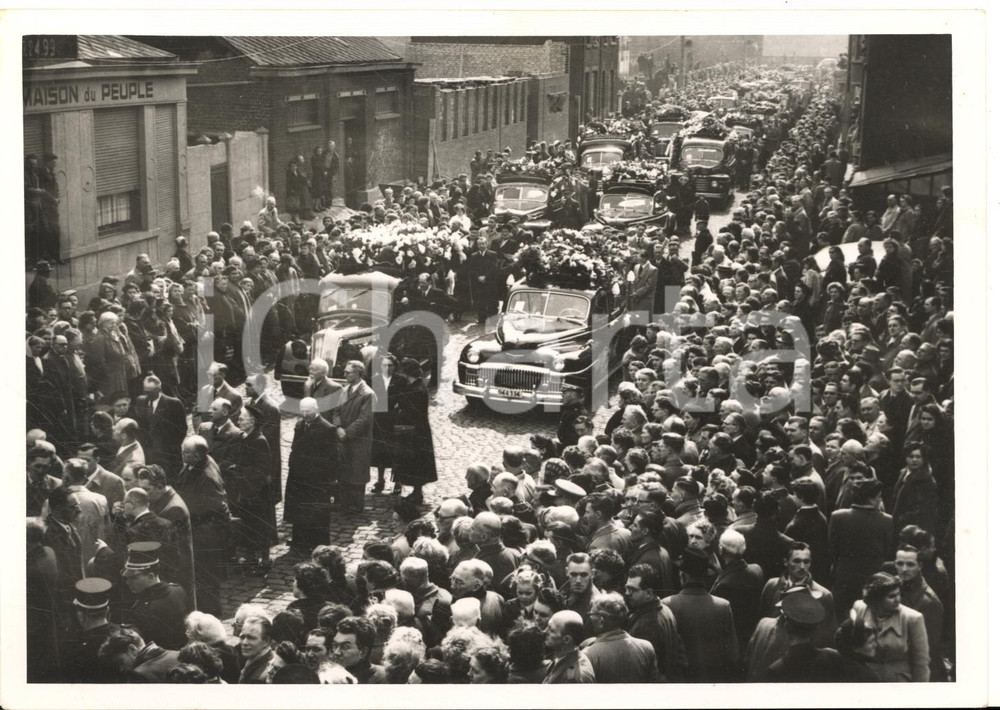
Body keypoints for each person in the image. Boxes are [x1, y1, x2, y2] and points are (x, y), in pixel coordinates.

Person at [173, 436, 230, 617]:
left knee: (206, 577)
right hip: (200, 529)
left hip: (206, 534)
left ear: (197, 455)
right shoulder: (196, 464)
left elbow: (216, 506)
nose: (182, 454)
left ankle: (211, 613)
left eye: (186, 452)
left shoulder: (207, 476)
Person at [663, 552, 740, 682]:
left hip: (682, 681)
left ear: (683, 576)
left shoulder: (668, 604)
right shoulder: (723, 606)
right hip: (713, 679)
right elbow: (732, 653)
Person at [850, 572, 930, 682]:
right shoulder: (860, 608)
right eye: (891, 596)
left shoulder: (912, 618)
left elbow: (921, 663)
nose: (898, 599)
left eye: (898, 594)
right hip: (867, 679)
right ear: (876, 599)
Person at [285, 397, 337, 554]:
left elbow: (332, 458)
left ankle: (317, 545)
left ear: (316, 409)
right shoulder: (300, 425)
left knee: (316, 515)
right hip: (298, 477)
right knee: (299, 511)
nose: (305, 414)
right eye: (302, 411)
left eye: (308, 411)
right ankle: (299, 541)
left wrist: (329, 483)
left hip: (316, 480)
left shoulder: (327, 428)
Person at [624, 563, 688, 680]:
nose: (627, 593)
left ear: (649, 593)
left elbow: (643, 669)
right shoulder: (665, 609)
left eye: (632, 590)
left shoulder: (647, 625)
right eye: (626, 588)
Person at [121, 541, 189, 650]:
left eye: (133, 578)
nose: (128, 582)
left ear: (150, 576)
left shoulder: (143, 609)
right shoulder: (178, 590)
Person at [581, 592, 659, 683]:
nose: (590, 618)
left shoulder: (588, 655)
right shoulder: (646, 647)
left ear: (601, 620)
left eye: (591, 615)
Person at [391, 358, 437, 504]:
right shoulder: (415, 386)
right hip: (417, 429)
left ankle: (417, 493)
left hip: (415, 431)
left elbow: (411, 411)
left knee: (416, 461)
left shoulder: (416, 390)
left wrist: (399, 412)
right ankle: (416, 492)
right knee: (416, 461)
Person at [332, 360, 374, 513]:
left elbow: (364, 419)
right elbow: (336, 411)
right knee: (343, 471)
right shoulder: (344, 390)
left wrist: (347, 433)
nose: (345, 374)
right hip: (343, 438)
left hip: (359, 441)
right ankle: (344, 503)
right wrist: (338, 427)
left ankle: (356, 505)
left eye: (348, 372)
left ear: (358, 374)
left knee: (357, 472)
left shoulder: (367, 394)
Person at [542, 610, 595, 683]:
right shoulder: (561, 656)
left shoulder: (576, 677)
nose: (544, 631)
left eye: (551, 630)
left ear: (566, 639)